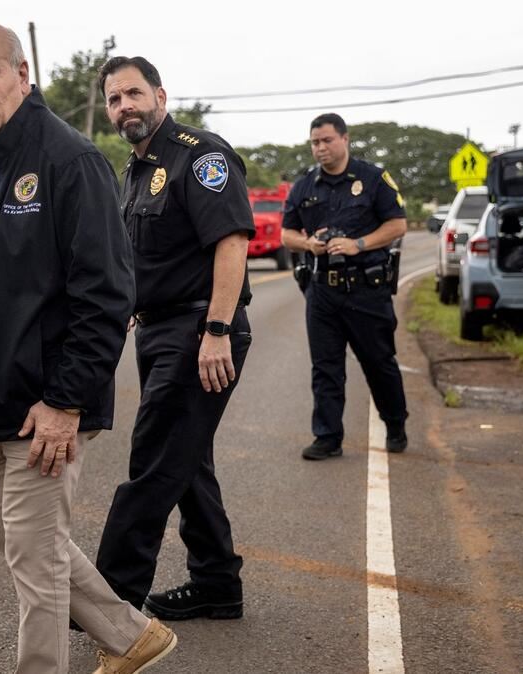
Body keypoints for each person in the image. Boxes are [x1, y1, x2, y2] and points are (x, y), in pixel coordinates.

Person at [0, 22, 176, 674]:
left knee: (35, 560)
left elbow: (106, 295)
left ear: (22, 75)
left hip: (48, 401)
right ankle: (131, 634)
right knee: (10, 538)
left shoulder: (69, 161)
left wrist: (66, 400)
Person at [94, 56, 254, 622]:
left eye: (133, 94)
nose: (124, 107)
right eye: (114, 100)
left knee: (155, 460)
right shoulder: (133, 171)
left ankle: (109, 600)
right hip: (160, 328)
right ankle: (216, 584)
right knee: (187, 460)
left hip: (199, 330)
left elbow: (230, 242)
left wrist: (216, 331)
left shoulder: (200, 154)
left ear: (160, 94)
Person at [280, 113, 409, 461]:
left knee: (378, 362)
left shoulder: (372, 178)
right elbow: (286, 234)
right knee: (325, 368)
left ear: (344, 139)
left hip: (366, 289)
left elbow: (397, 225)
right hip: (322, 291)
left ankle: (395, 424)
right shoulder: (304, 186)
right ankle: (327, 437)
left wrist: (359, 244)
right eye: (314, 142)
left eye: (326, 140)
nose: (320, 148)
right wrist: (308, 245)